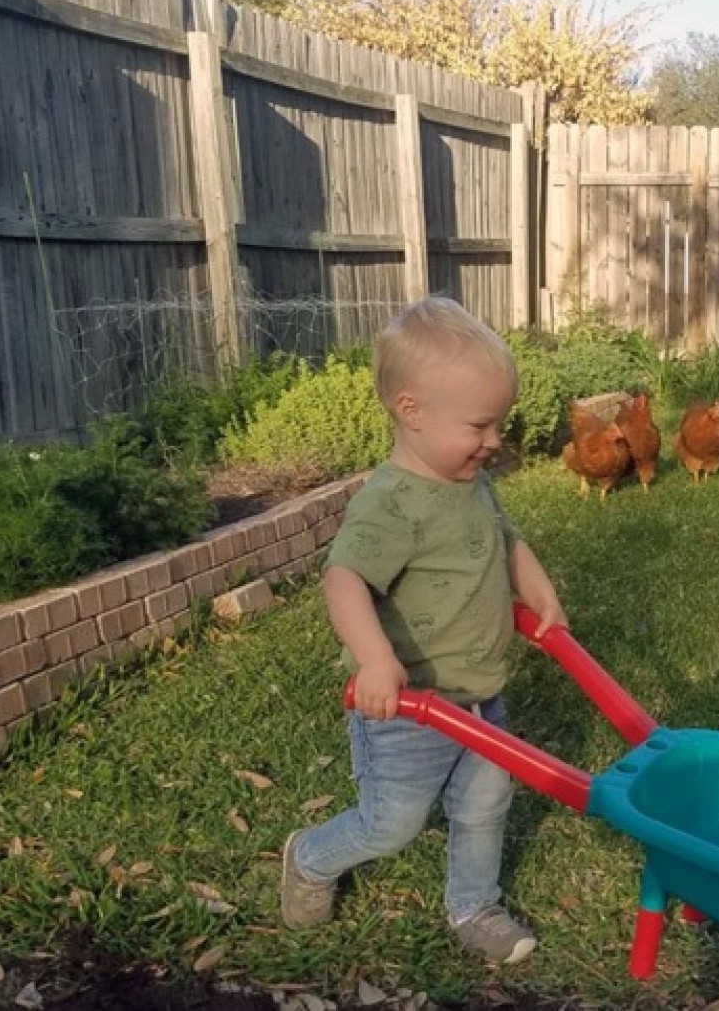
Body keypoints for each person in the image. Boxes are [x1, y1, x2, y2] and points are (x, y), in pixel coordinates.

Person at [279, 296, 566, 966]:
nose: (494, 441)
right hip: (410, 710)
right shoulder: (391, 502)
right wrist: (374, 661)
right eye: (480, 425)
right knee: (393, 824)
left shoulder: (468, 484)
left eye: (498, 424)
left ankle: (474, 904)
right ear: (412, 412)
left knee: (486, 801)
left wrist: (537, 585)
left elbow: (505, 538)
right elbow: (344, 578)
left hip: (479, 696)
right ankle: (312, 857)